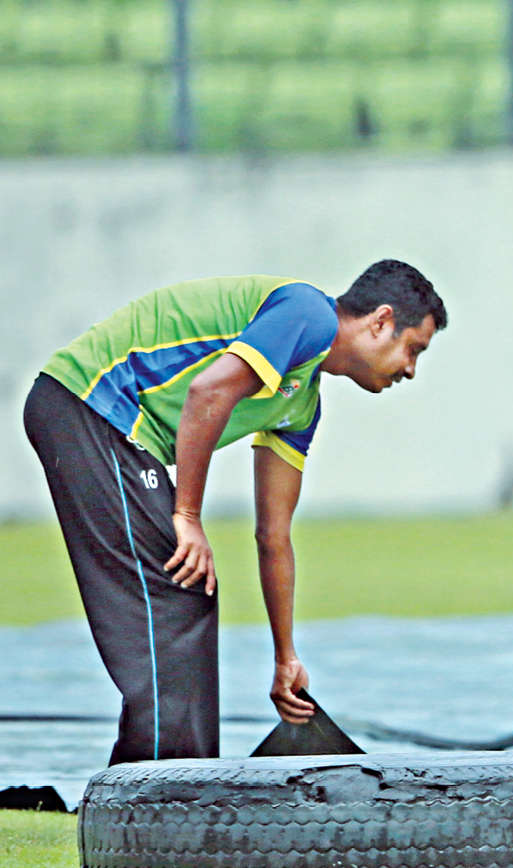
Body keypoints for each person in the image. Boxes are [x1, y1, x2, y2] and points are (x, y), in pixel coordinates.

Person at [23, 260, 447, 765]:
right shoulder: (310, 315)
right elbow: (209, 390)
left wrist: (285, 657)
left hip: (105, 425)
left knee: (188, 588)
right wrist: (187, 517)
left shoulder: (300, 404)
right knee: (179, 585)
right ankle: (159, 787)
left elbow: (273, 536)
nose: (411, 369)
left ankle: (170, 781)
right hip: (88, 402)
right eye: (413, 349)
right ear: (380, 321)